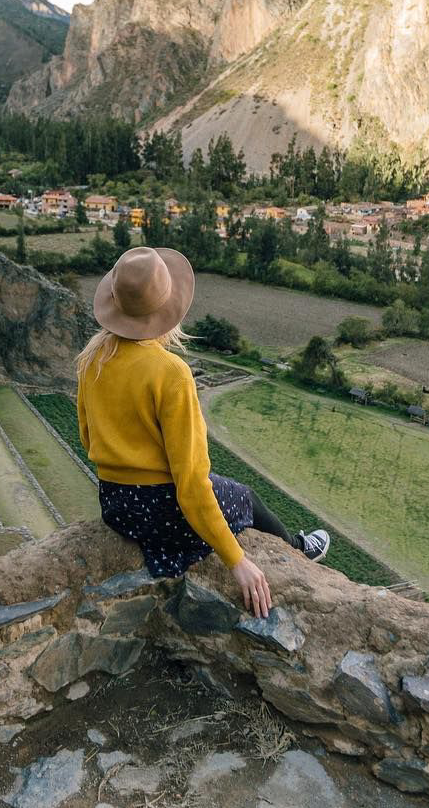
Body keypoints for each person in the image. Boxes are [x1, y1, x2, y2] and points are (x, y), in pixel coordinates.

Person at [76, 246, 329, 620]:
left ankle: (297, 544)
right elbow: (192, 485)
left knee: (222, 490)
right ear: (166, 308)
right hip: (161, 510)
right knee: (244, 496)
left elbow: (86, 437)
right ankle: (297, 546)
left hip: (116, 506)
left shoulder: (93, 359)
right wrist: (237, 560)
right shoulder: (170, 373)